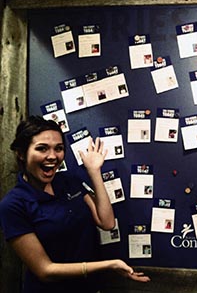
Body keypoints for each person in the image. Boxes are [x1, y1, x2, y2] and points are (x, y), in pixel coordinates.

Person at [0, 116, 150, 293]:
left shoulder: (68, 182)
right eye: (42, 148)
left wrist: (94, 172)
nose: (52, 156)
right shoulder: (13, 204)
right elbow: (44, 270)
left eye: (59, 148)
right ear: (21, 153)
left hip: (90, 288)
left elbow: (107, 222)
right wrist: (109, 265)